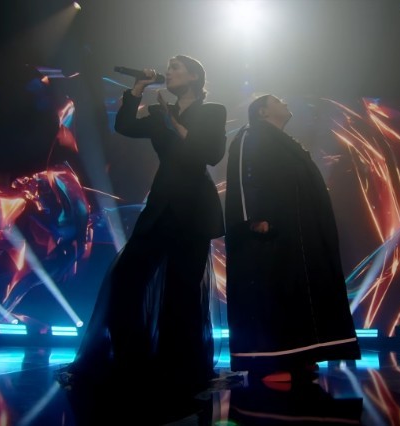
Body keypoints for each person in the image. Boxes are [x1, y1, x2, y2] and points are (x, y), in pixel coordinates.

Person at [61, 54, 227, 399]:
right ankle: (131, 358)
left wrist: (173, 122)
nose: (168, 72)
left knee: (183, 289)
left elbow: (210, 153)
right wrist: (137, 88)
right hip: (161, 204)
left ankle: (180, 367)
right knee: (126, 278)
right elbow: (124, 126)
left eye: (176, 68)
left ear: (194, 76)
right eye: (168, 68)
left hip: (194, 205)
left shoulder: (212, 111)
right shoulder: (157, 112)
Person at [224, 94, 361, 382]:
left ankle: (301, 355)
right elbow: (243, 176)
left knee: (298, 292)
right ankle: (270, 363)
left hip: (297, 231)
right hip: (270, 228)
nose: (284, 103)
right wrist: (253, 217)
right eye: (277, 101)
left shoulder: (285, 142)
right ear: (262, 112)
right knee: (273, 292)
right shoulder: (251, 135)